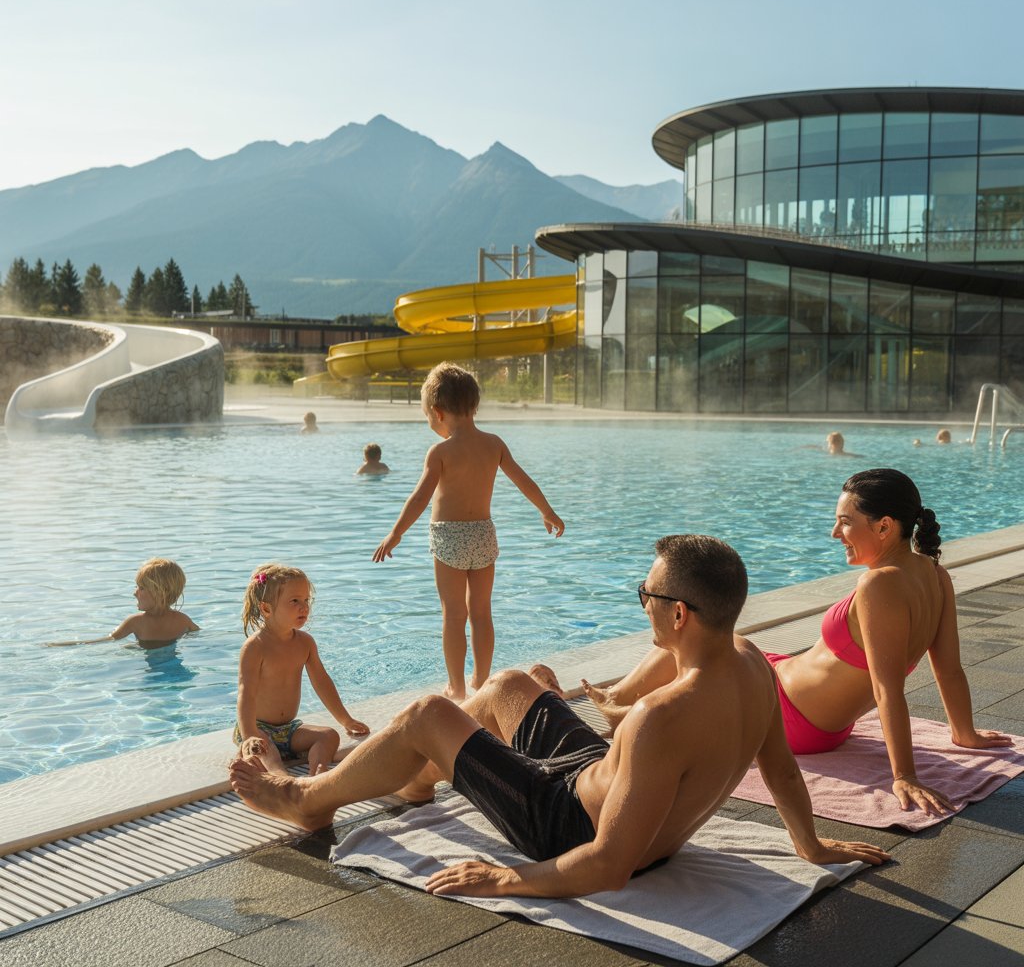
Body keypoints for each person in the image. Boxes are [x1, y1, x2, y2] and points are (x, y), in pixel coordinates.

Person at [230, 535, 887, 897]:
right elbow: (779, 767)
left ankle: (307, 797)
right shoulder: (751, 666)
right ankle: (419, 772)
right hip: (603, 782)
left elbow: (607, 864)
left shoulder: (665, 713)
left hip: (565, 826)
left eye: (647, 595)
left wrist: (510, 878)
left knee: (430, 710)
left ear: (679, 614)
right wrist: (810, 843)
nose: (646, 606)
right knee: (511, 685)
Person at [583, 470, 1013, 815]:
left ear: (884, 526)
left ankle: (619, 705)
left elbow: (887, 689)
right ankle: (617, 701)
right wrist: (964, 733)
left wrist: (903, 775)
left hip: (790, 714)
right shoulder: (935, 575)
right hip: (813, 713)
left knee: (696, 630)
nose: (834, 533)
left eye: (845, 522)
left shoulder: (879, 586)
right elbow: (949, 667)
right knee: (730, 642)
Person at [372, 362, 564, 701]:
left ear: (437, 412)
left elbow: (420, 497)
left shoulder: (441, 452)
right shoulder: (494, 444)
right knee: (481, 612)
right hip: (483, 536)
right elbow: (523, 480)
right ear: (474, 406)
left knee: (453, 614)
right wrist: (546, 511)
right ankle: (482, 680)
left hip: (449, 538)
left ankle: (457, 687)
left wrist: (396, 533)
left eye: (428, 418)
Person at [235, 563, 369, 775]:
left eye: (306, 600)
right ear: (266, 608)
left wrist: (346, 720)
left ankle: (319, 771)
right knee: (262, 749)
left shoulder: (305, 643)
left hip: (289, 730)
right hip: (257, 727)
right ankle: (281, 777)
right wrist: (249, 734)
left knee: (329, 735)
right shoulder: (255, 647)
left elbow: (322, 683)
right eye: (294, 601)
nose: (304, 607)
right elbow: (246, 693)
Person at [46, 558, 199, 649]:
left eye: (141, 588)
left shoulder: (137, 622)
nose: (134, 592)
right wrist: (65, 644)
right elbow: (198, 636)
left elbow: (107, 641)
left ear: (160, 592)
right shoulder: (182, 620)